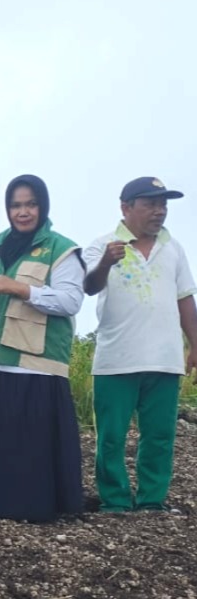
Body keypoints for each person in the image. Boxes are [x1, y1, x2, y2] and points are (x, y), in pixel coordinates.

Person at [0, 175, 84, 521]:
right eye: (16, 205)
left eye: (31, 204)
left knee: (29, 443)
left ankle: (31, 507)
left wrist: (23, 290)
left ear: (43, 206)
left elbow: (71, 300)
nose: (23, 212)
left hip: (36, 364)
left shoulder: (62, 249)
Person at [83, 177, 197, 513]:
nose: (159, 212)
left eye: (163, 205)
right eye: (150, 204)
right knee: (112, 437)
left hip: (164, 359)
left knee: (159, 437)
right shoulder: (102, 246)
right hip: (116, 360)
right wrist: (106, 262)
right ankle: (115, 500)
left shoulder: (173, 248)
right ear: (126, 208)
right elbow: (89, 286)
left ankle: (151, 500)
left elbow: (185, 298)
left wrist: (194, 344)